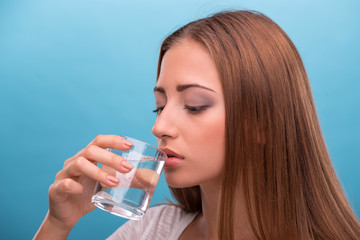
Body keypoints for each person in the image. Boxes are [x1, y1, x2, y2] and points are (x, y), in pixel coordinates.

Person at [34, 10, 360, 240]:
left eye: (194, 105)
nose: (160, 126)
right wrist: (58, 224)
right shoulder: (151, 231)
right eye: (159, 106)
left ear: (261, 123)